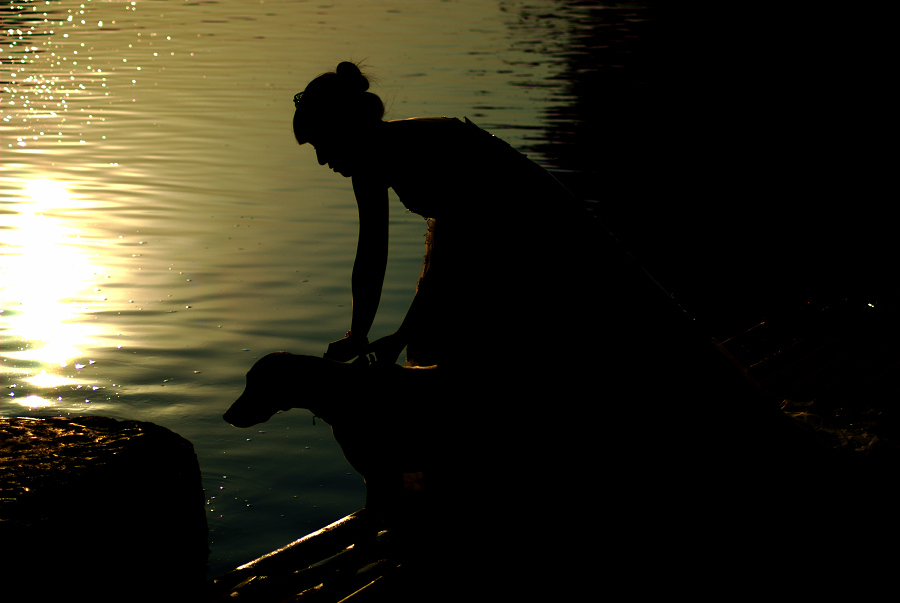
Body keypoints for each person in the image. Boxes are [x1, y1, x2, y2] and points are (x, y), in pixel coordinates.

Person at [292, 62, 601, 373]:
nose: (321, 160)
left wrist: (401, 335)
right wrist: (357, 335)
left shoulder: (420, 150)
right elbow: (371, 254)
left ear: (343, 129)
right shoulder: (369, 160)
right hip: (485, 242)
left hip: (535, 235)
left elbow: (457, 251)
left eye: (321, 144)